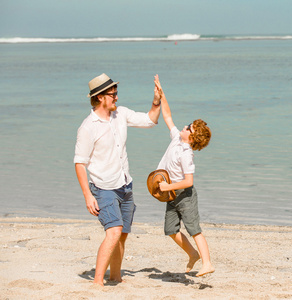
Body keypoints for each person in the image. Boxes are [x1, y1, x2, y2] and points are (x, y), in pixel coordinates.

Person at [74, 73, 161, 286]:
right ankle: (97, 283)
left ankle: (115, 276)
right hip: (103, 188)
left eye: (116, 93)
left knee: (122, 234)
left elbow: (150, 120)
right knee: (113, 232)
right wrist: (87, 195)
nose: (117, 98)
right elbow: (79, 163)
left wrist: (156, 101)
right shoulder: (88, 127)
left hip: (125, 185)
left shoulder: (120, 114)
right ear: (101, 97)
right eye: (113, 95)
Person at [154, 75, 215, 277]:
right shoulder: (176, 139)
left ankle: (207, 263)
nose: (185, 126)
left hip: (184, 194)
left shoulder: (187, 153)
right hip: (171, 193)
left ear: (192, 137)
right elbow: (168, 116)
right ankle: (192, 254)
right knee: (170, 229)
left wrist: (167, 188)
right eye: (188, 124)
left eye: (189, 127)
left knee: (194, 228)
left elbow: (189, 181)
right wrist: (162, 95)